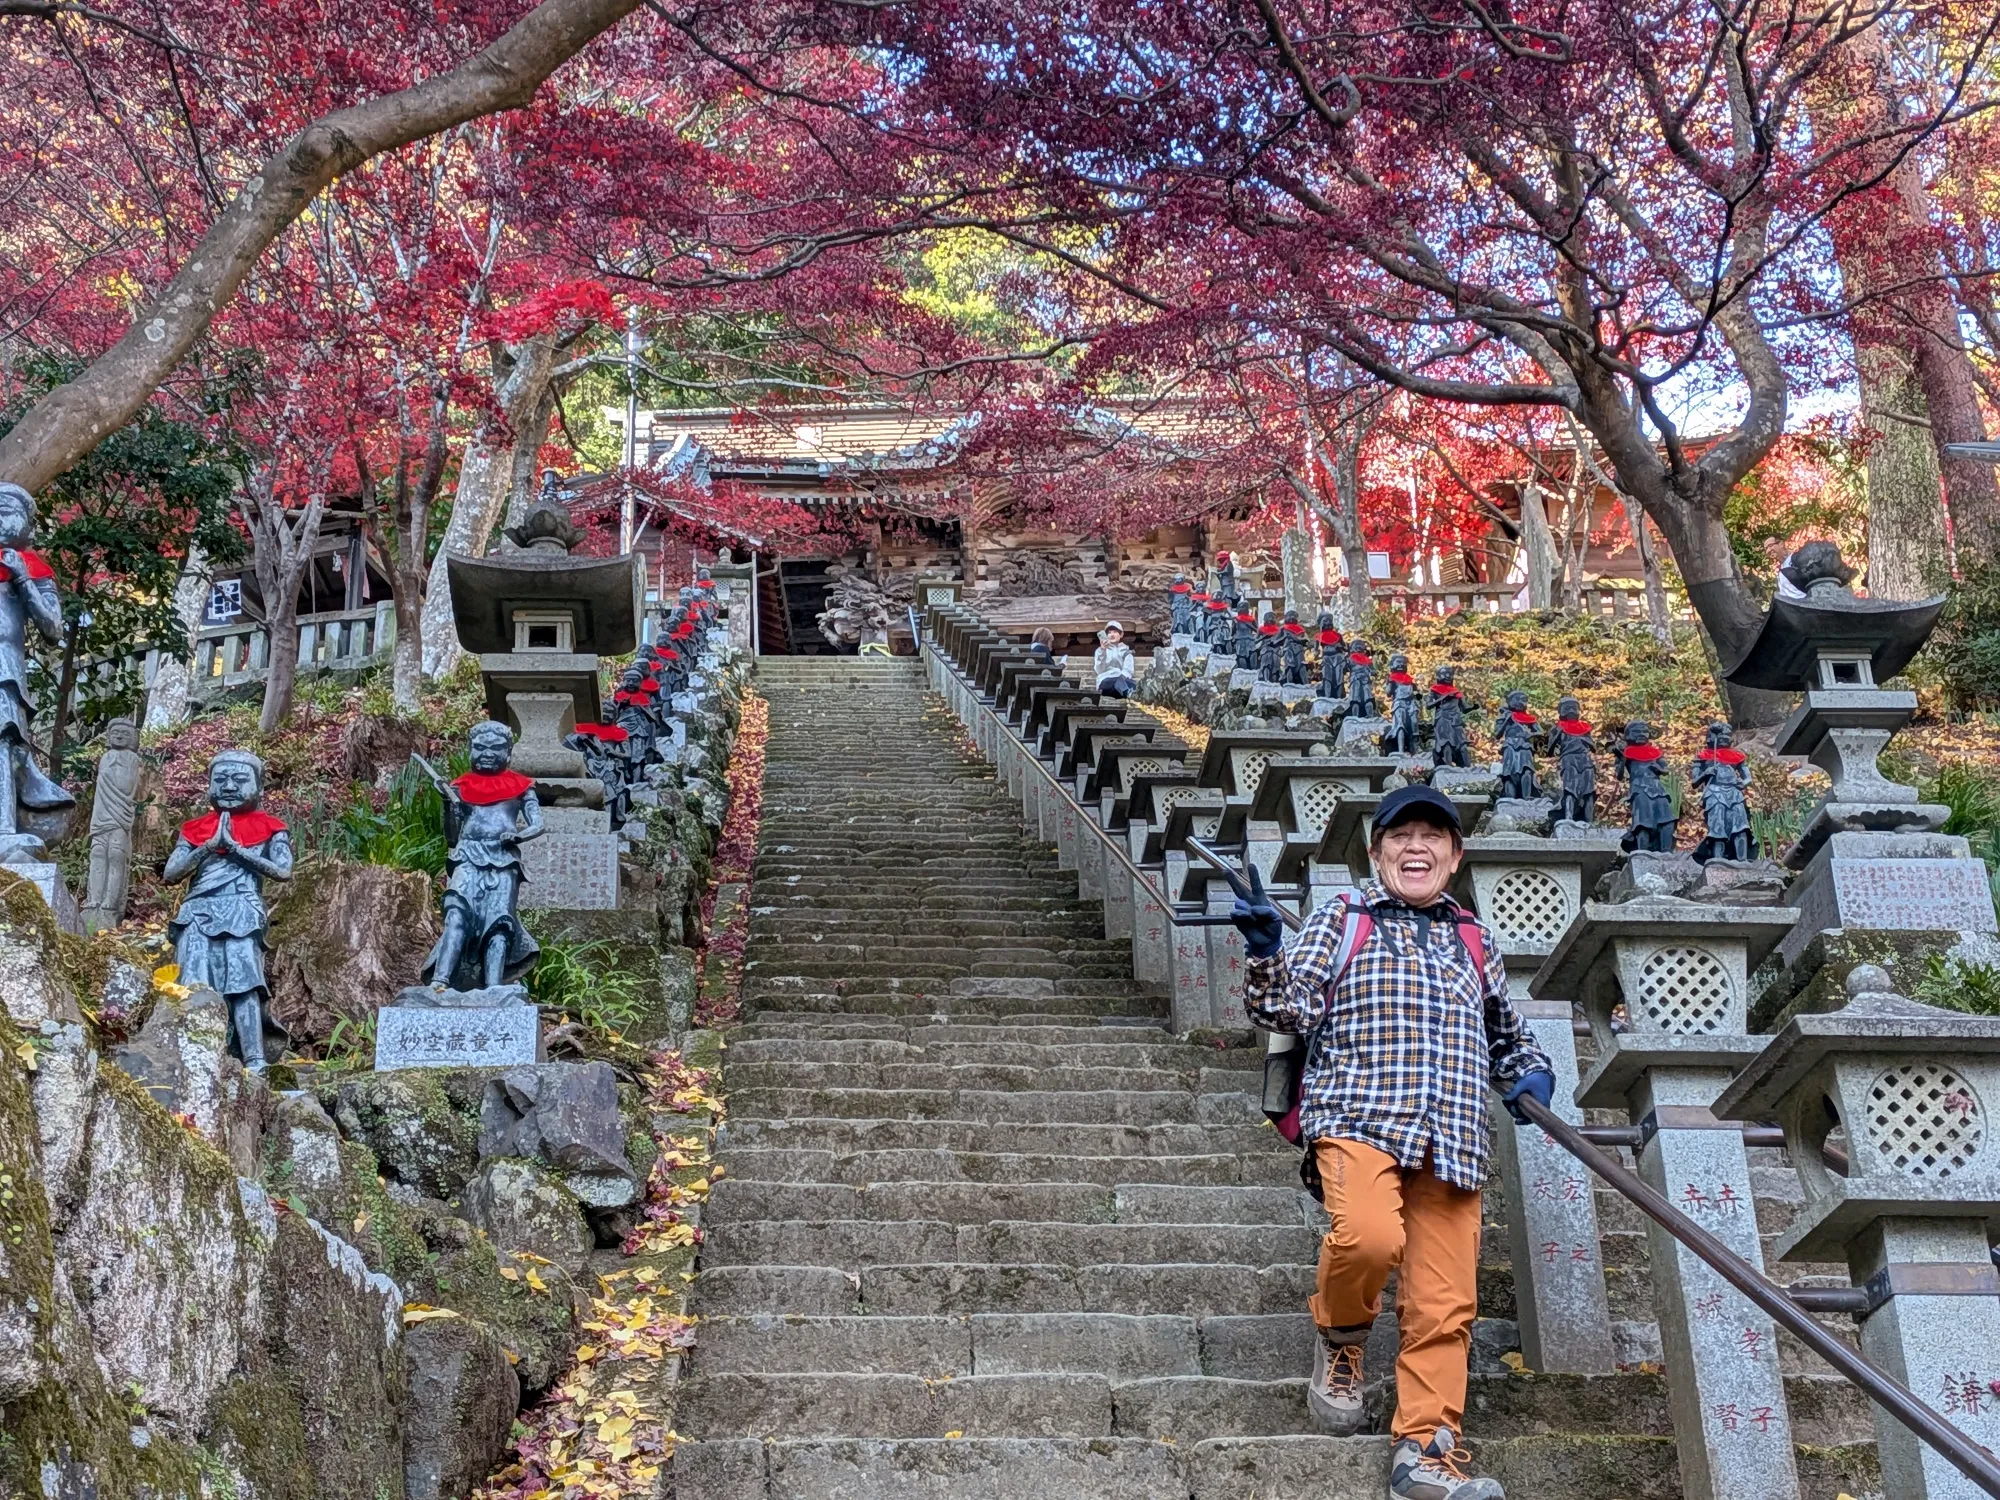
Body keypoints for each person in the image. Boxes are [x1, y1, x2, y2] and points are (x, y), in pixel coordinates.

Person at [1230, 784, 1554, 1500]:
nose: (1417, 847)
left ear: (1455, 855)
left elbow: (1507, 1031)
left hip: (1453, 1141)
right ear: (1375, 854)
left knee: (1447, 1305)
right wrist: (1264, 950)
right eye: (1400, 836)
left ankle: (1426, 1456)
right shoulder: (1343, 919)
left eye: (1432, 837)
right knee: (1369, 1237)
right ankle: (1343, 1338)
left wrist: (1532, 1070)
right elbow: (1288, 1004)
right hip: (1358, 1120)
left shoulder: (1474, 937)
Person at [1093, 620, 1136, 698]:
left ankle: (1126, 691)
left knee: (1131, 683)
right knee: (1115, 682)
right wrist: (1102, 651)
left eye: (1115, 632)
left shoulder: (1127, 651)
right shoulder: (1100, 651)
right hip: (1106, 681)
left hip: (1121, 680)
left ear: (1121, 634)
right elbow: (1099, 670)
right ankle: (1127, 692)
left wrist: (1121, 677)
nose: (1112, 635)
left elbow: (1128, 670)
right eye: (1109, 632)